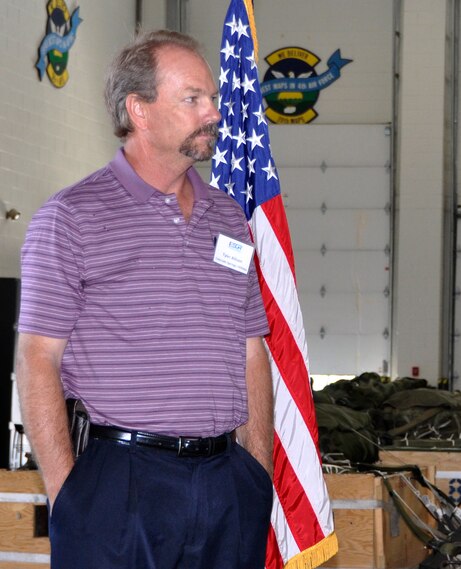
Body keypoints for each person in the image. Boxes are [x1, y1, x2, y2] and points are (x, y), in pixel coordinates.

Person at [15, 30, 273, 568]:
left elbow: (251, 348)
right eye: (192, 98)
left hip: (228, 485)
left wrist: (257, 473)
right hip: (121, 482)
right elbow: (38, 358)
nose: (213, 113)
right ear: (140, 110)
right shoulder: (72, 217)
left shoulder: (228, 218)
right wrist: (70, 495)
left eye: (213, 98)